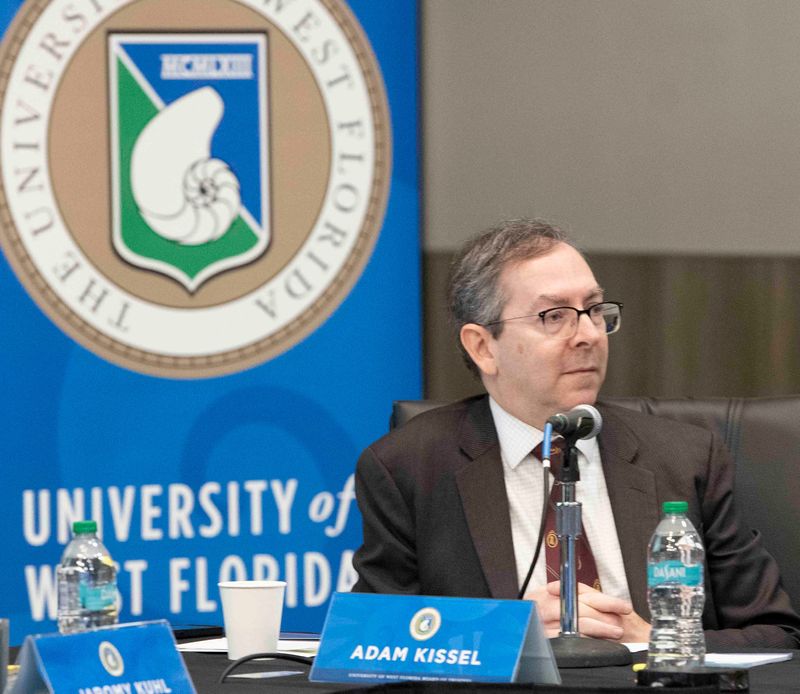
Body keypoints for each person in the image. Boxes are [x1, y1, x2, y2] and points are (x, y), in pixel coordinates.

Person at [351, 218, 800, 649]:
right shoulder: (409, 467)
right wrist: (505, 632)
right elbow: (373, 639)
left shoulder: (685, 459)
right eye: (554, 316)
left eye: (594, 310)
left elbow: (777, 632)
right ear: (483, 347)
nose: (588, 334)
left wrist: (655, 641)